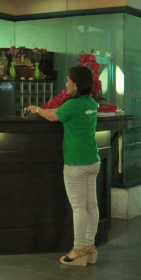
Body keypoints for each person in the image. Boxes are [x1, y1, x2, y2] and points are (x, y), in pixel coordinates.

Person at [25, 65, 100, 266]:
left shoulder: (73, 105)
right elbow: (59, 113)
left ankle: (78, 250)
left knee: (79, 207)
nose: (66, 84)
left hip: (76, 162)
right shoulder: (92, 103)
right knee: (91, 204)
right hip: (92, 160)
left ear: (76, 84)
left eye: (68, 81)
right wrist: (43, 110)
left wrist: (36, 109)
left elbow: (52, 116)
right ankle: (90, 245)